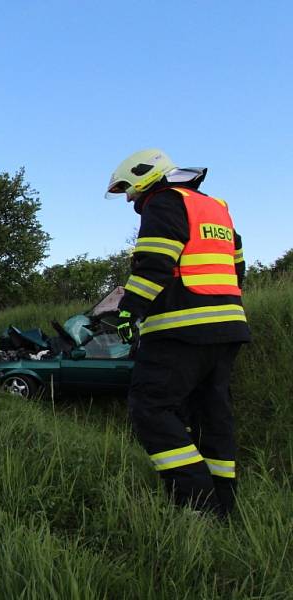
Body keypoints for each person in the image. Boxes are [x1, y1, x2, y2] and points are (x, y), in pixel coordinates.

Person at [106, 149, 250, 518]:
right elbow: (238, 268)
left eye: (128, 189)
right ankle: (224, 506)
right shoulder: (215, 207)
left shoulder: (163, 203)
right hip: (228, 327)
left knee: (151, 407)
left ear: (144, 177)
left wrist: (128, 312)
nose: (128, 198)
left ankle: (196, 504)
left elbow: (154, 264)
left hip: (179, 329)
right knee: (213, 414)